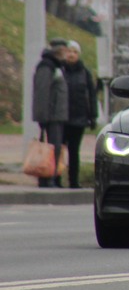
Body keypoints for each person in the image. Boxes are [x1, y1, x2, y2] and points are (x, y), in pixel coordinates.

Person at [31, 38, 70, 188]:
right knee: (51, 149)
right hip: (51, 115)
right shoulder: (47, 67)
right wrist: (43, 116)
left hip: (58, 115)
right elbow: (42, 92)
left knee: (56, 148)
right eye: (65, 50)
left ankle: (53, 177)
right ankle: (47, 178)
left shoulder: (57, 66)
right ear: (58, 51)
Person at [61, 40, 98, 189]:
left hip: (79, 118)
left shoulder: (84, 72)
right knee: (59, 150)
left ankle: (73, 181)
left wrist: (92, 116)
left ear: (78, 54)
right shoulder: (60, 70)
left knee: (74, 151)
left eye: (75, 52)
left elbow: (92, 95)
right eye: (69, 51)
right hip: (62, 118)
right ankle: (56, 178)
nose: (71, 54)